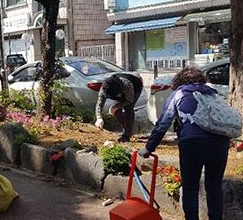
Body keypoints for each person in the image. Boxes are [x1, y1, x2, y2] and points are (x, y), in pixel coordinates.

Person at [138, 67, 230, 220]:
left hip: (193, 143)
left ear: (179, 81)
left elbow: (163, 124)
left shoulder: (179, 94)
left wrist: (148, 148)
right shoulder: (213, 95)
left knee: (190, 187)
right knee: (214, 187)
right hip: (220, 144)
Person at [94, 73, 143, 142]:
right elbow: (100, 103)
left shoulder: (127, 84)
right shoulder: (105, 88)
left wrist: (116, 107)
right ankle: (127, 129)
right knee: (116, 112)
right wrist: (99, 118)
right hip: (119, 89)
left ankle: (127, 134)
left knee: (128, 108)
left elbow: (129, 100)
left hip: (135, 87)